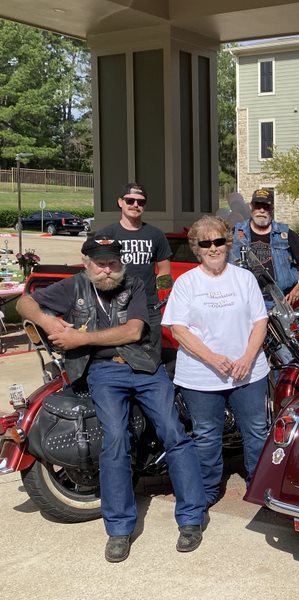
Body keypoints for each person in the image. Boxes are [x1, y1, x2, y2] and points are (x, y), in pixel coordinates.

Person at [16, 237, 206, 563]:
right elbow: (24, 303)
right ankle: (118, 529)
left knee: (173, 432)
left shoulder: (134, 283)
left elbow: (133, 331)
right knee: (114, 439)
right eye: (100, 263)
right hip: (104, 372)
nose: (107, 270)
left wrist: (78, 337)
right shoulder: (74, 286)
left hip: (146, 368)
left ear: (121, 263)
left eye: (112, 263)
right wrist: (49, 321)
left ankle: (191, 518)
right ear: (87, 263)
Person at [163, 216, 270, 510]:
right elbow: (178, 330)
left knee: (257, 430)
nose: (213, 248)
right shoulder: (186, 282)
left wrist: (247, 358)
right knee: (206, 436)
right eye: (205, 243)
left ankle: (259, 483)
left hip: (248, 372)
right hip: (200, 375)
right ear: (197, 248)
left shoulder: (244, 278)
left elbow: (260, 321)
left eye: (218, 241)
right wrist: (212, 358)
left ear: (228, 243)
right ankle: (208, 489)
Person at [94, 183, 172, 351]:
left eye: (140, 202)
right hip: (114, 305)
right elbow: (95, 268)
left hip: (149, 307)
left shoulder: (156, 235)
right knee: (115, 356)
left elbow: (165, 268)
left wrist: (160, 295)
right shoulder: (106, 235)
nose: (135, 205)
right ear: (120, 202)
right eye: (130, 201)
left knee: (151, 355)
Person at [230, 188, 299, 306]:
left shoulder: (285, 233)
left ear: (272, 209)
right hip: (244, 301)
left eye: (266, 206)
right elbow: (221, 258)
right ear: (251, 207)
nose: (262, 210)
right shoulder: (236, 232)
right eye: (258, 206)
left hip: (277, 303)